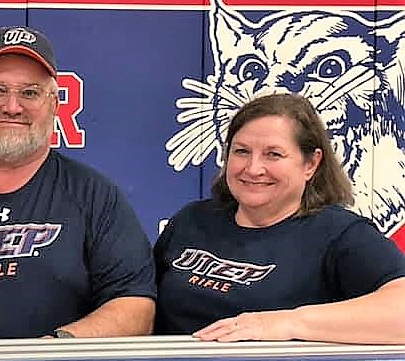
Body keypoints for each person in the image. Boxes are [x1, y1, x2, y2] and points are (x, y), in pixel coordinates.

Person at [0, 26, 156, 339]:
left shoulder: (95, 196)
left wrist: (53, 350)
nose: (12, 106)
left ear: (54, 105)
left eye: (30, 92)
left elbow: (136, 306)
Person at [155, 92, 405, 343]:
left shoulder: (341, 234)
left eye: (273, 154)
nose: (253, 168)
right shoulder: (192, 220)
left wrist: (287, 323)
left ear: (311, 164)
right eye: (241, 151)